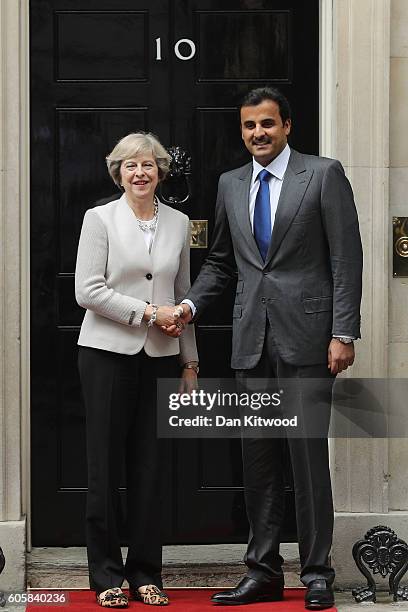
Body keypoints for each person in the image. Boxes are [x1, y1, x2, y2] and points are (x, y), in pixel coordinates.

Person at [175, 87, 362, 610]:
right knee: (257, 464)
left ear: (287, 127)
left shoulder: (323, 175)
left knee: (306, 462)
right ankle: (262, 571)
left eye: (267, 124)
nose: (258, 133)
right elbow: (221, 263)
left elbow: (347, 258)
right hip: (249, 342)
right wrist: (189, 307)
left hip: (308, 342)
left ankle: (317, 571)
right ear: (241, 131)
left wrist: (343, 332)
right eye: (249, 126)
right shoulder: (230, 184)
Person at [75, 132, 198, 608]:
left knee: (150, 470)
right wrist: (148, 313)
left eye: (148, 165)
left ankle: (147, 572)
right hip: (105, 355)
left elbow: (183, 295)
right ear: (118, 173)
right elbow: (87, 290)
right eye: (129, 166)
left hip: (162, 360)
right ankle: (106, 575)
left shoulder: (179, 222)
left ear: (160, 171)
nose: (140, 173)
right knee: (104, 468)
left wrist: (191, 360)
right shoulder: (99, 219)